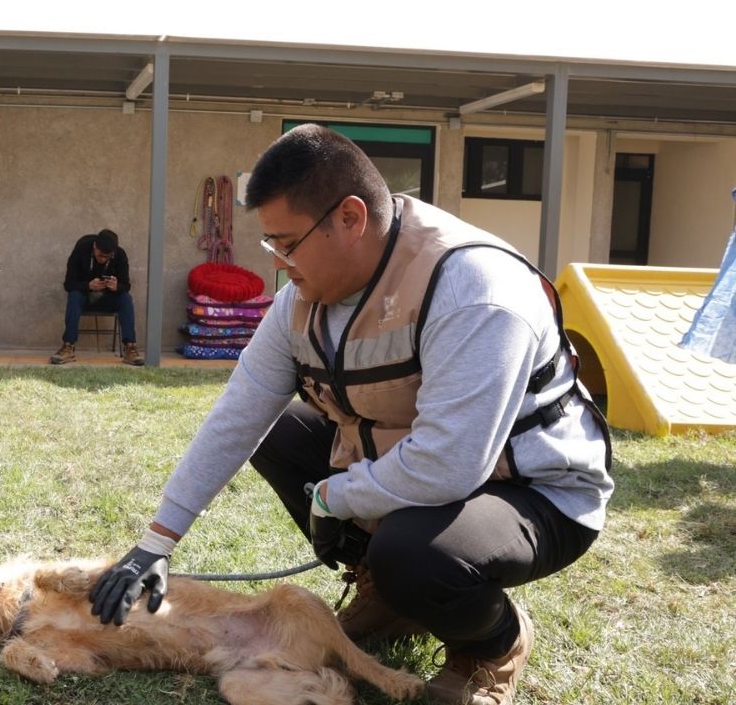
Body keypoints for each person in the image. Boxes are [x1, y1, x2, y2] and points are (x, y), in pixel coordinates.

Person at [90, 124, 613, 705]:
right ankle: (390, 596)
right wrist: (157, 542)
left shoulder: (473, 288)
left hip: (532, 492)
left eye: (286, 242)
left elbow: (448, 466)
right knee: (277, 432)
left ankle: (494, 642)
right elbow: (238, 414)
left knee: (416, 557)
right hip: (420, 470)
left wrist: (332, 497)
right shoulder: (301, 296)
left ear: (350, 218)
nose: (278, 263)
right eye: (270, 245)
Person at [49, 228, 145, 366]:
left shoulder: (119, 254)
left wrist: (117, 286)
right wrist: (88, 285)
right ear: (95, 246)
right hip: (84, 297)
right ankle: (68, 347)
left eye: (107, 256)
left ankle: (130, 348)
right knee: (74, 295)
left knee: (125, 298)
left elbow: (126, 285)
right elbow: (68, 284)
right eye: (100, 255)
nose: (103, 259)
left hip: (108, 298)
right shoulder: (82, 249)